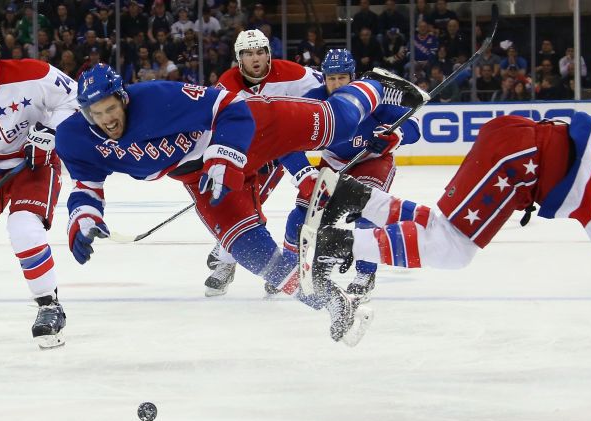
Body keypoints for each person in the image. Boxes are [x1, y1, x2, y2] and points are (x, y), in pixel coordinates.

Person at [302, 111, 591, 381]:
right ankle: (340, 242)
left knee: (443, 229)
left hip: (518, 153)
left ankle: (356, 196)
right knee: (450, 248)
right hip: (520, 162)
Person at [54, 63, 427, 343]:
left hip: (250, 127)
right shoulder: (75, 138)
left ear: (122, 97)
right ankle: (335, 305)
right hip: (199, 177)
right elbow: (87, 183)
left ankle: (374, 85)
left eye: (109, 109)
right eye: (95, 114)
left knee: (339, 123)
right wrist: (84, 218)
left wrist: (223, 157)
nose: (106, 121)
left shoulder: (157, 97)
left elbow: (230, 107)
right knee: (253, 254)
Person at [0, 18, 78, 348]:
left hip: (34, 163)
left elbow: (74, 100)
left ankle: (49, 305)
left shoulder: (33, 72)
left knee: (24, 226)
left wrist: (50, 133)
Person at [269, 49, 420, 299]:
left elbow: (413, 126)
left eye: (342, 78)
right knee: (303, 212)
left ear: (353, 78)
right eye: (331, 78)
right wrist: (304, 174)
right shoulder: (314, 102)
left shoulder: (372, 98)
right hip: (334, 162)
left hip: (373, 161)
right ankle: (287, 268)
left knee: (367, 210)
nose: (336, 84)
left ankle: (365, 273)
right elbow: (286, 142)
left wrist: (395, 135)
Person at [202, 29, 325, 297]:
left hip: (277, 153)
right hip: (241, 157)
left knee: (243, 212)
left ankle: (227, 260)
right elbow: (210, 122)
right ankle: (229, 255)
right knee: (230, 206)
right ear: (239, 58)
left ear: (268, 54)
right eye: (248, 54)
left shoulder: (292, 73)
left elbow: (330, 86)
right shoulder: (226, 84)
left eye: (260, 52)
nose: (255, 59)